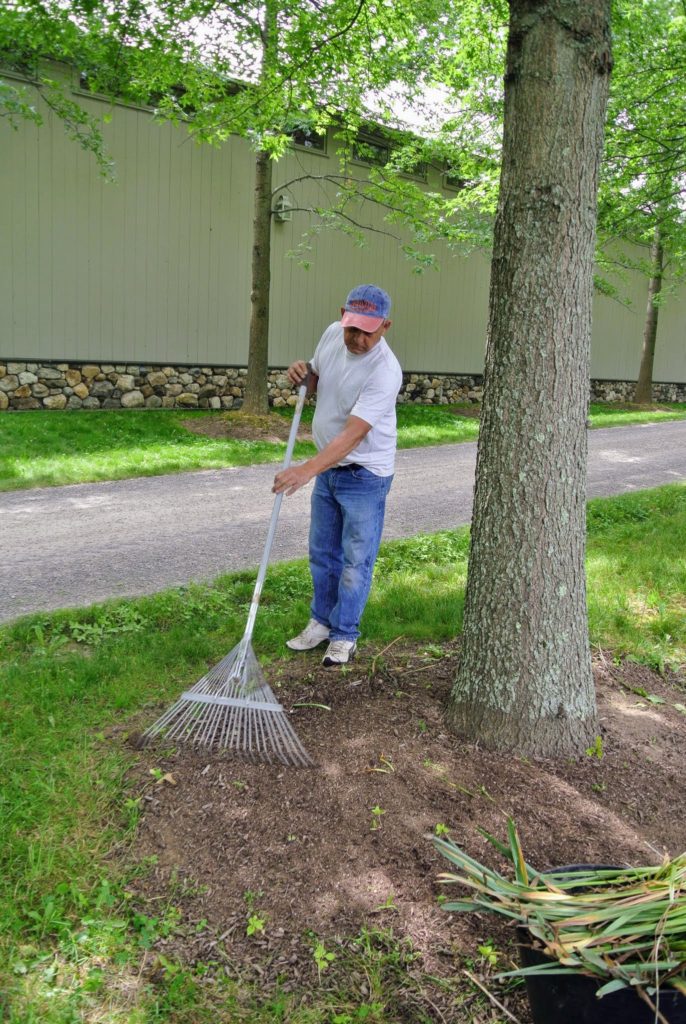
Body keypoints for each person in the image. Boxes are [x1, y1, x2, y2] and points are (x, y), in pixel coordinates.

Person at [272, 284, 402, 666]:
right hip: (329, 469)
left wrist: (305, 471)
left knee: (354, 559)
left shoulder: (385, 370)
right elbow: (316, 382)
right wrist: (303, 375)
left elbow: (353, 434)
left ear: (385, 327)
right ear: (342, 316)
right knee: (321, 553)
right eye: (352, 328)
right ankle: (321, 623)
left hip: (364, 474)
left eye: (367, 331)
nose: (357, 338)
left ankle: (345, 634)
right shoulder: (332, 334)